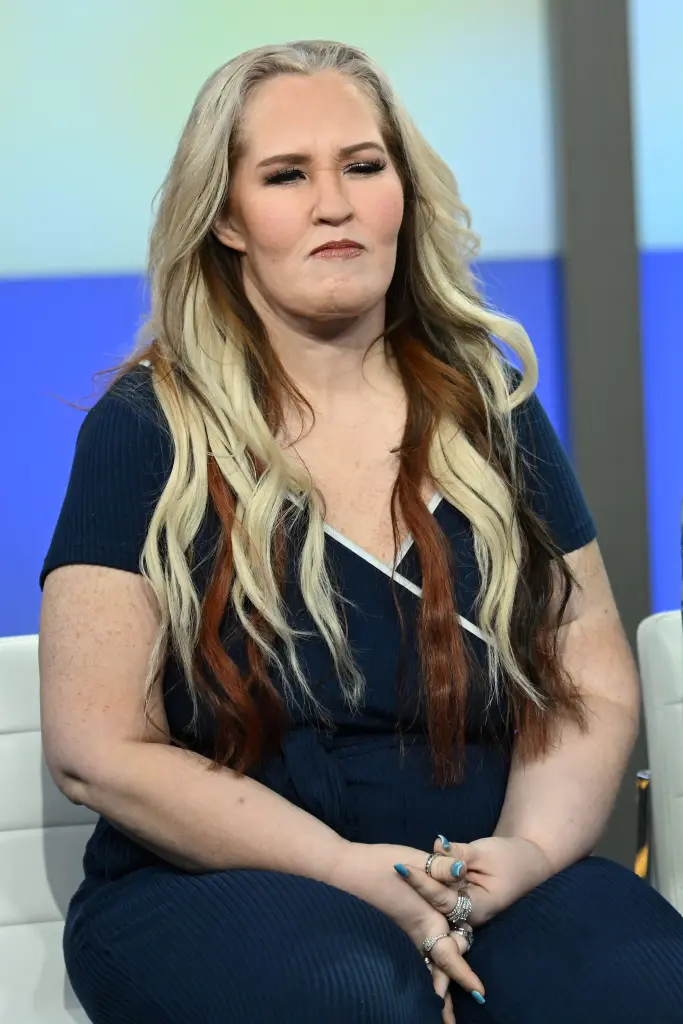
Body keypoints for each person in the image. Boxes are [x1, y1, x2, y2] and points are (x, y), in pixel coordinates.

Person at [38, 39, 683, 1024]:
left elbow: (583, 663)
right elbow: (97, 747)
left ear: (402, 195)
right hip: (220, 884)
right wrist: (349, 871)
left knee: (643, 986)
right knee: (357, 998)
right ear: (225, 217)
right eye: (286, 175)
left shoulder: (487, 408)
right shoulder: (145, 427)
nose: (333, 204)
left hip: (475, 868)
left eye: (362, 166)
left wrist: (522, 853)